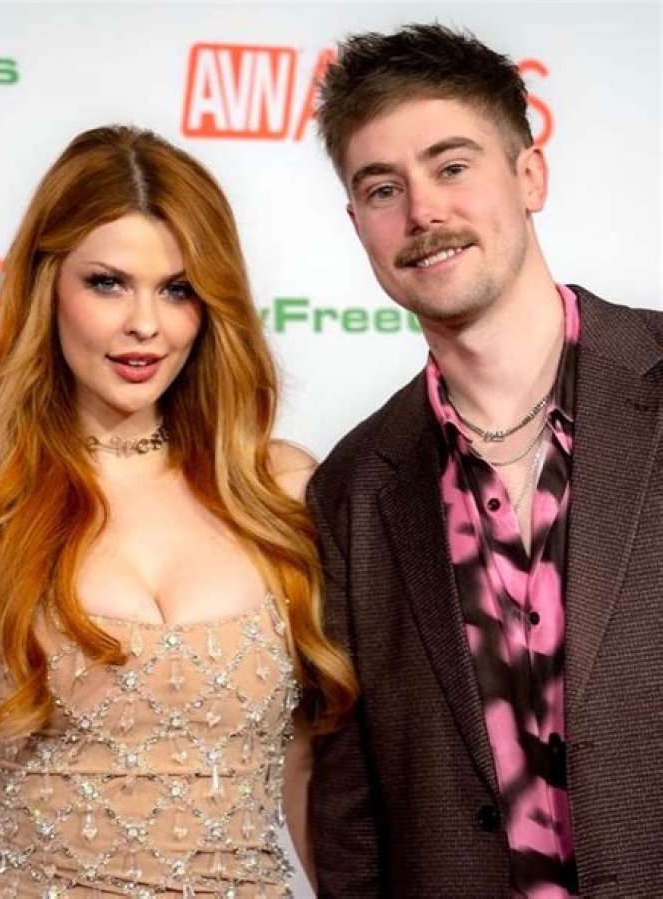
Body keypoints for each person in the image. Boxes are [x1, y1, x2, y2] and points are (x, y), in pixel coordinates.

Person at [0, 125, 356, 898]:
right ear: (46, 286)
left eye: (177, 288)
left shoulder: (281, 492)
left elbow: (314, 786)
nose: (146, 324)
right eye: (107, 283)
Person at [307, 23, 663, 898]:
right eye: (383, 188)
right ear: (357, 225)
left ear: (530, 175)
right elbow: (348, 815)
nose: (423, 212)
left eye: (452, 166)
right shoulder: (352, 487)